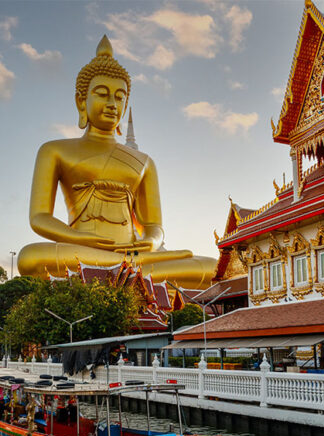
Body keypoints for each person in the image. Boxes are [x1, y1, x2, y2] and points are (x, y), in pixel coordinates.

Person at [17, 36, 215, 289]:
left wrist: (151, 242)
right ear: (81, 101)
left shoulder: (144, 162)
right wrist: (81, 239)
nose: (112, 104)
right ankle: (123, 272)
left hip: (135, 256)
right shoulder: (54, 150)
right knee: (30, 257)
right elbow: (39, 217)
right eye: (102, 94)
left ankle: (122, 270)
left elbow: (154, 225)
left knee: (209, 266)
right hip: (83, 251)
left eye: (120, 97)